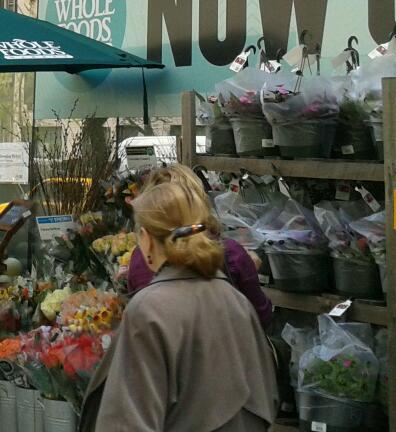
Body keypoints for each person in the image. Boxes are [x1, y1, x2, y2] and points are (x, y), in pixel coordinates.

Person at [86, 182, 278, 432]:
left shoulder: (149, 309)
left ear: (145, 239)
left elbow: (127, 421)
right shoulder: (236, 300)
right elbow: (266, 397)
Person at [124, 164, 273, 328]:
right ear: (199, 203)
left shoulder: (140, 257)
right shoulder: (231, 254)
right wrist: (247, 267)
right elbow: (261, 317)